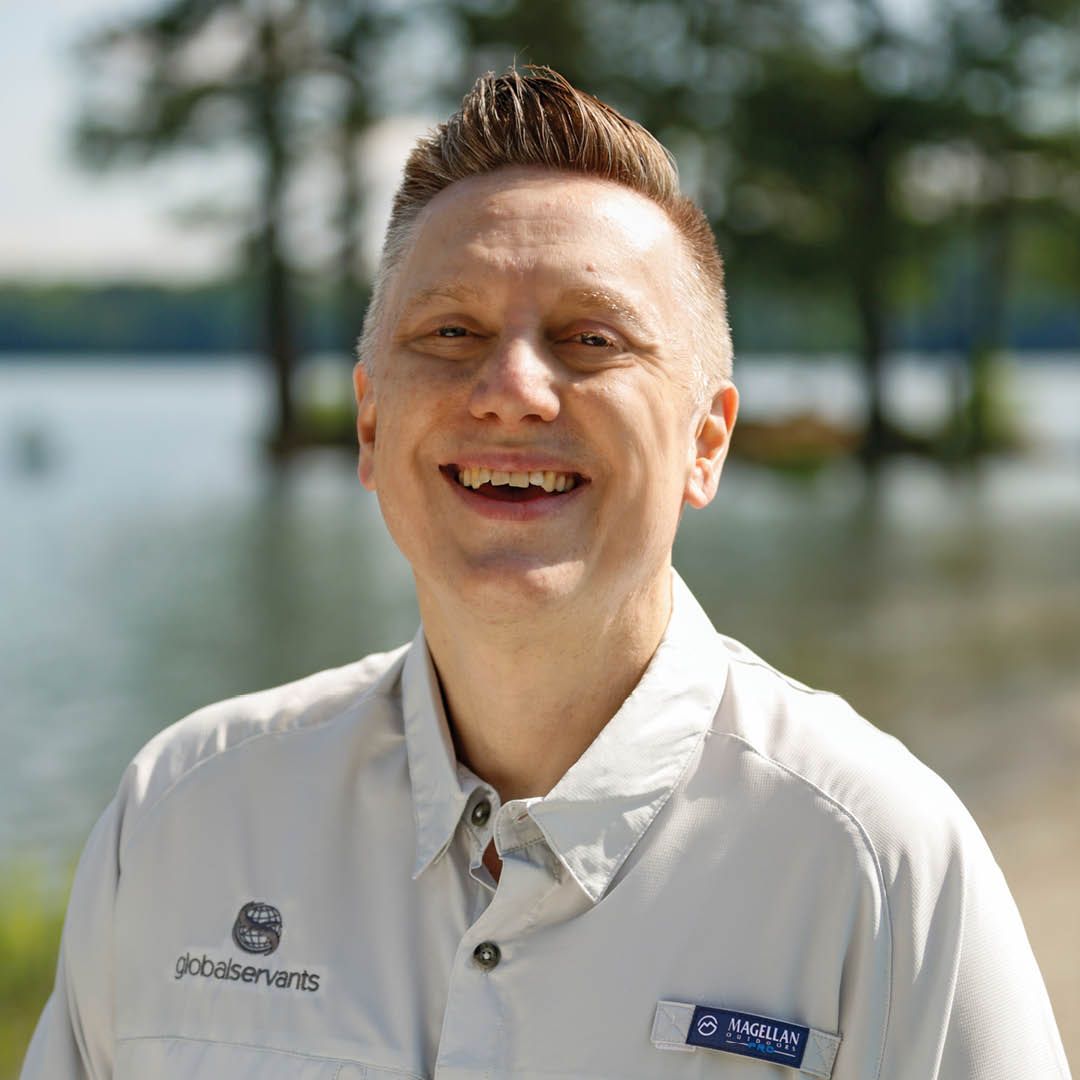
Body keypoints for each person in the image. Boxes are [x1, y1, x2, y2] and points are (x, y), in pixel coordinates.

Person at [22, 67, 1069, 1080]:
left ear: (707, 443)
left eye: (590, 338)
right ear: (372, 423)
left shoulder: (876, 865)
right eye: (451, 331)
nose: (511, 389)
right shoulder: (182, 818)